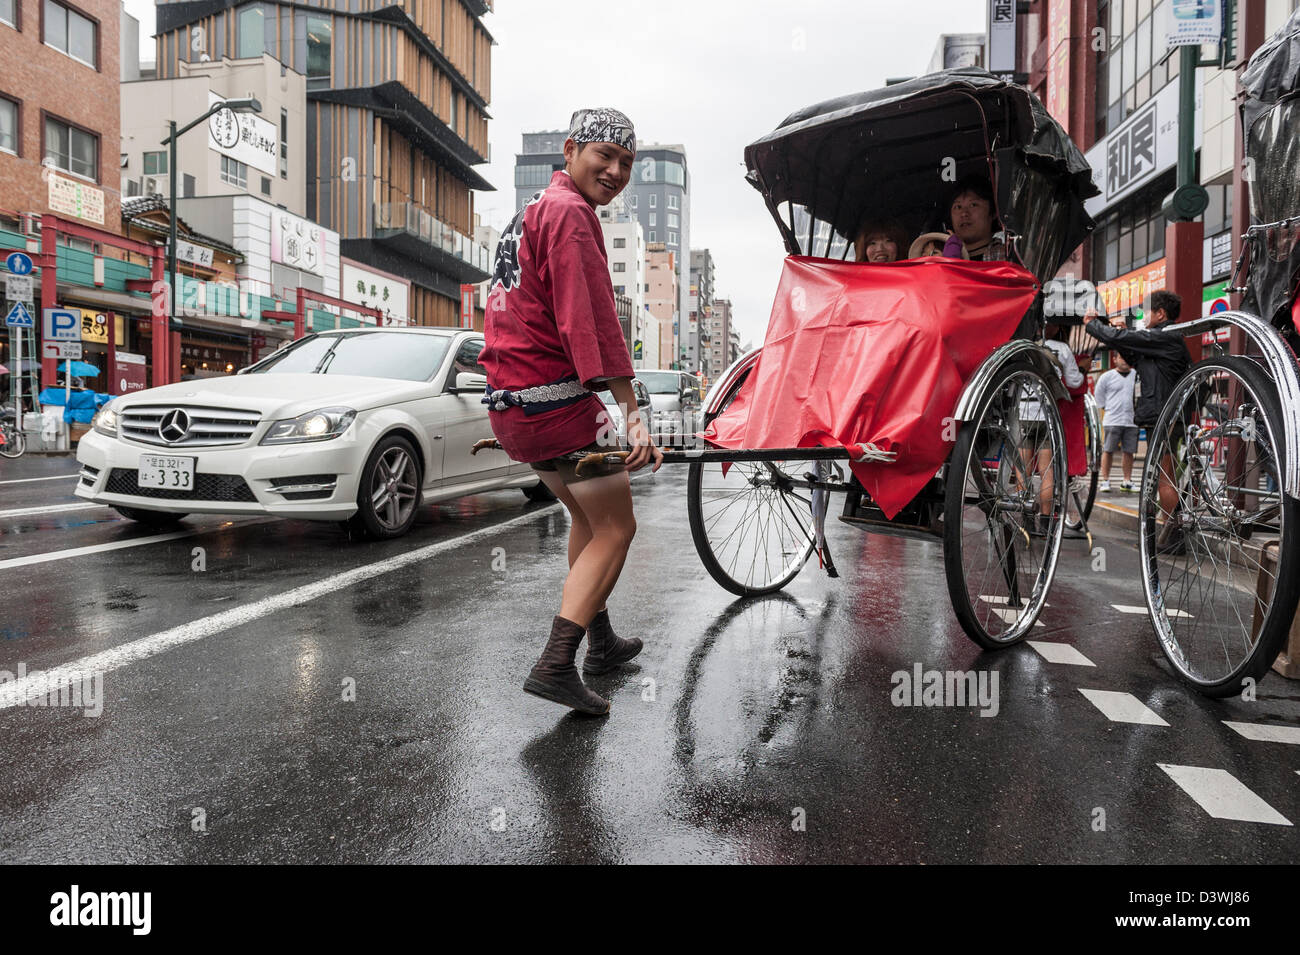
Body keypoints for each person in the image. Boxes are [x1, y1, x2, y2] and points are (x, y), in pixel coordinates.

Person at [479, 107, 663, 716]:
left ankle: (601, 641)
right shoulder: (571, 215)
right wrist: (632, 412)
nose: (614, 171)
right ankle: (556, 663)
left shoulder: (532, 211)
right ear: (570, 150)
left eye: (626, 164)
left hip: (514, 405)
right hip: (556, 404)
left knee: (588, 522)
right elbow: (591, 323)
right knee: (616, 528)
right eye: (603, 156)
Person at [1086, 291, 1193, 552]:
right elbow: (1133, 354)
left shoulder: (1166, 336)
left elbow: (1126, 339)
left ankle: (1173, 538)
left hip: (1166, 416)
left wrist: (1093, 325)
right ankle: (1167, 534)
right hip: (1162, 415)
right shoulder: (1162, 340)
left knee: (1165, 477)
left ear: (1160, 314)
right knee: (1161, 477)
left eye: (1147, 311)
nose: (1144, 317)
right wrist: (1117, 335)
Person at [1019, 323, 1085, 535]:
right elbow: (1075, 381)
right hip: (1046, 413)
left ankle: (1026, 521)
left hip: (1022, 413)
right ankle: (1045, 523)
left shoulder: (1022, 346)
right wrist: (1082, 368)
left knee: (1023, 470)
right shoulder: (1062, 349)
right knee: (1046, 471)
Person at [1092, 354, 1138, 493]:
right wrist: (1108, 409)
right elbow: (1098, 395)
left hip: (1132, 420)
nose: (1124, 359)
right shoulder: (1107, 376)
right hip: (1112, 419)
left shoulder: (1136, 375)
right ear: (1115, 359)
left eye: (1126, 356)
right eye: (1121, 357)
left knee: (1129, 451)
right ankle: (1105, 480)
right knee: (1108, 450)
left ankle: (1127, 481)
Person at [942, 175, 1002, 260]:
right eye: (958, 207)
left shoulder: (1008, 257)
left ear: (994, 212)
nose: (964, 213)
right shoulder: (938, 258)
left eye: (973, 205)